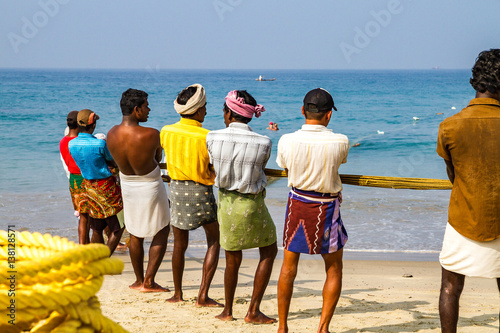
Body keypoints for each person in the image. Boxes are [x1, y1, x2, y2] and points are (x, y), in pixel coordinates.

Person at [437, 49, 500, 333]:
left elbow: (454, 175)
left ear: (476, 83)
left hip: (463, 219)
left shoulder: (450, 126)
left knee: (450, 287)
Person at [276, 88, 349, 333]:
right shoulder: (341, 141)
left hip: (298, 203)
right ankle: (323, 328)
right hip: (326, 208)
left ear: (302, 111)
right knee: (334, 268)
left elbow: (285, 168)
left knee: (288, 268)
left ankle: (283, 327)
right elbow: (338, 164)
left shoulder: (286, 140)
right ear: (328, 115)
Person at [207, 90, 278, 323]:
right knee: (268, 250)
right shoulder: (264, 141)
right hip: (252, 203)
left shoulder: (212, 137)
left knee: (232, 258)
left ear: (228, 113)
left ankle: (227, 311)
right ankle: (253, 310)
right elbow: (261, 169)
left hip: (226, 202)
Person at [160, 83, 221, 306]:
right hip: (201, 192)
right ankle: (202, 295)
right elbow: (212, 166)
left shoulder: (166, 131)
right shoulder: (207, 136)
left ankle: (177, 293)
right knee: (214, 240)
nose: (206, 111)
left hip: (176, 190)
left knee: (179, 244)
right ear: (197, 110)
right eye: (204, 107)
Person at [107, 88, 171, 292]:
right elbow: (158, 158)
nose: (149, 110)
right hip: (150, 184)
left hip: (127, 184)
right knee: (162, 229)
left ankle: (138, 280)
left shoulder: (111, 133)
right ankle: (149, 281)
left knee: (134, 232)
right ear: (136, 109)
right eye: (146, 106)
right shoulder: (152, 134)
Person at [68, 109, 125, 255]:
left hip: (88, 186)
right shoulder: (99, 144)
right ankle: (105, 256)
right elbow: (111, 161)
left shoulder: (72, 145)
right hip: (106, 186)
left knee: (97, 227)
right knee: (119, 225)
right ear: (93, 126)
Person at [59, 110, 89, 244]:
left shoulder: (63, 142)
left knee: (83, 217)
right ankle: (92, 249)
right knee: (93, 219)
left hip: (73, 180)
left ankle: (83, 247)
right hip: (86, 179)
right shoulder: (79, 142)